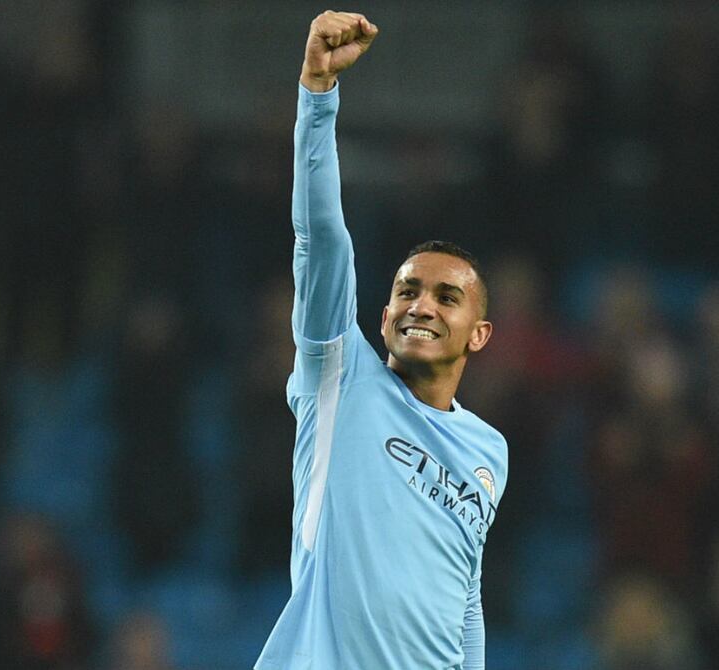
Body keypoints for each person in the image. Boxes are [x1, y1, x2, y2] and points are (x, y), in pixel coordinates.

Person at [255, 11, 508, 670]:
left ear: (478, 335)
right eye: (407, 291)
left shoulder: (489, 451)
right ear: (383, 315)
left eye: (446, 297)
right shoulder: (339, 377)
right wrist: (318, 97)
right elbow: (320, 237)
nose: (421, 305)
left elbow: (465, 595)